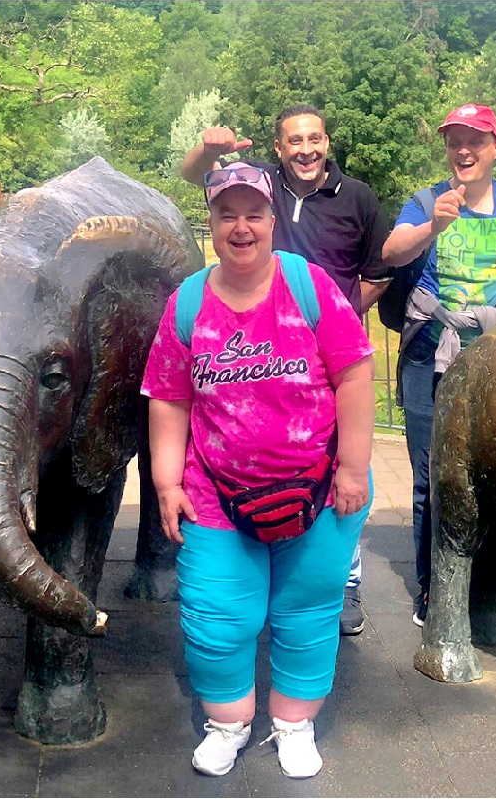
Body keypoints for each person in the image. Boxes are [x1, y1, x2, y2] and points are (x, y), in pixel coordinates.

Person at [142, 162, 376, 778]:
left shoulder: (309, 286)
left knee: (308, 609)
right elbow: (169, 398)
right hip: (217, 496)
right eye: (227, 215)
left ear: (272, 220)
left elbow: (355, 375)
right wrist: (166, 482)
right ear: (211, 223)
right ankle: (228, 724)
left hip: (321, 490)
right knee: (216, 614)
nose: (240, 227)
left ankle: (294, 726)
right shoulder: (188, 303)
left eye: (253, 214)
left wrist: (354, 469)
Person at [181, 103, 387, 636]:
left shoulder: (357, 197)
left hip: (325, 343)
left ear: (327, 142)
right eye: (295, 140)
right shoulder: (260, 183)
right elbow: (196, 176)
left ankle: (343, 584)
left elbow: (379, 269)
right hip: (253, 343)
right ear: (279, 148)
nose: (306, 149)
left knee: (338, 473)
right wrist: (208, 148)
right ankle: (261, 589)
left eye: (314, 138)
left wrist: (333, 314)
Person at [381, 103, 496, 630]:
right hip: (432, 356)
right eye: (455, 141)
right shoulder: (426, 202)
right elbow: (392, 252)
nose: (464, 150)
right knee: (431, 477)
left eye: (476, 140)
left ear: (495, 147)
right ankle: (434, 587)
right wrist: (432, 226)